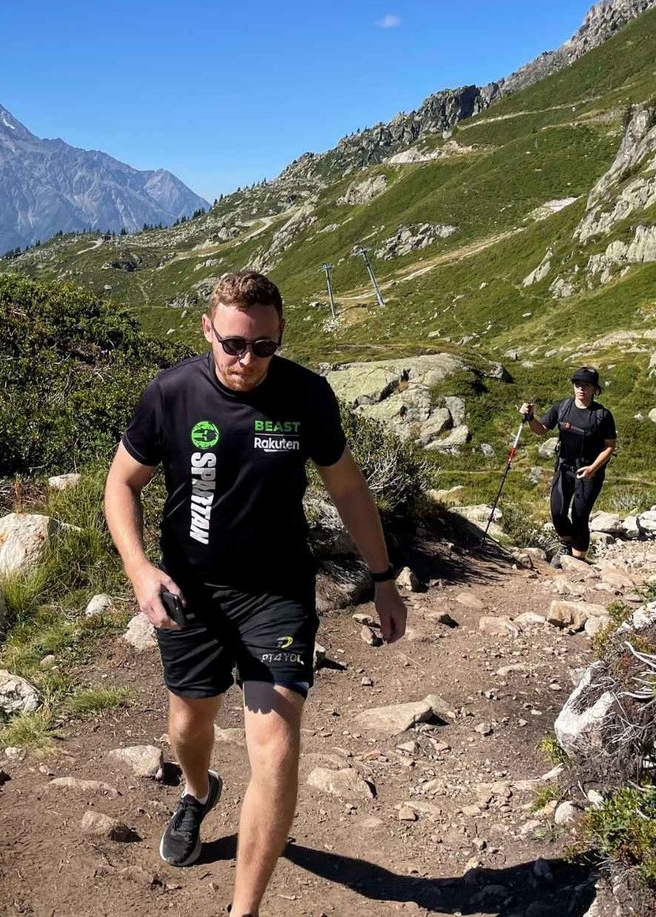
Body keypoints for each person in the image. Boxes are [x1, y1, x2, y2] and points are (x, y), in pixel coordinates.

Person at [104, 270, 407, 917]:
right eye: (235, 343)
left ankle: (245, 910)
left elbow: (349, 488)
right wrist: (139, 569)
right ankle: (197, 790)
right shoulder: (172, 392)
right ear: (208, 328)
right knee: (190, 724)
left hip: (277, 593)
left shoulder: (306, 395)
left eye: (264, 346)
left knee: (275, 744)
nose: (248, 360)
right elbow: (120, 484)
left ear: (281, 337)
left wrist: (383, 578)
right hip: (192, 591)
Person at [519, 366, 618, 561]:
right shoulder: (562, 408)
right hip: (564, 468)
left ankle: (578, 562)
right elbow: (541, 430)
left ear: (595, 389)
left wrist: (592, 469)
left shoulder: (602, 415)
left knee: (580, 517)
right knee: (557, 512)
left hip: (590, 472)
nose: (581, 389)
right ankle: (567, 545)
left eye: (586, 385)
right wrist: (530, 417)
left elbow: (609, 447)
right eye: (578, 384)